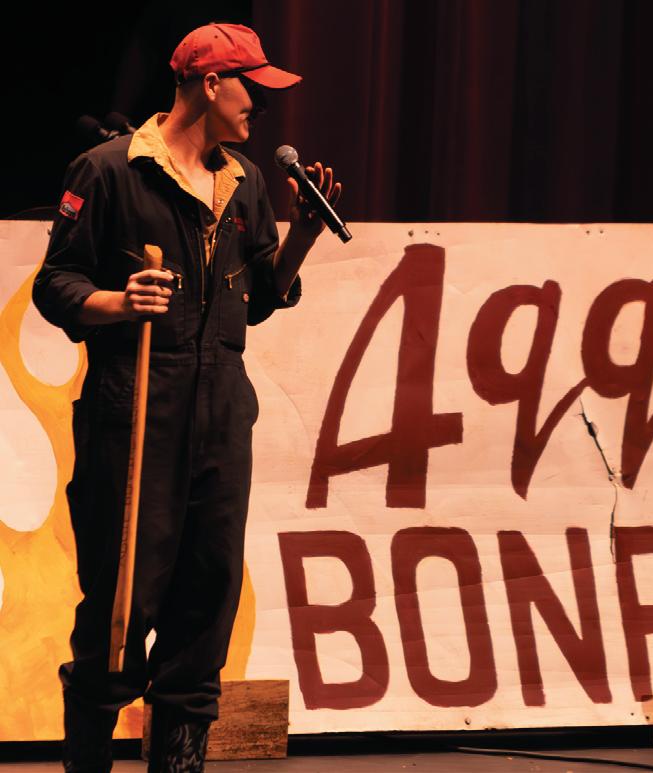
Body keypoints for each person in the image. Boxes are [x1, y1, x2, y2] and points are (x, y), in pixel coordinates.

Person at [32, 23, 341, 773]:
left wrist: (301, 235)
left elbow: (259, 297)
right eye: (251, 87)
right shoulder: (109, 170)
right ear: (209, 83)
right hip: (135, 406)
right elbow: (55, 283)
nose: (261, 105)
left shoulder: (245, 180)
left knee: (207, 601)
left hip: (221, 412)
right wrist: (118, 301)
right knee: (119, 607)